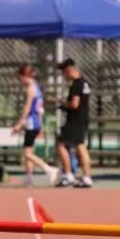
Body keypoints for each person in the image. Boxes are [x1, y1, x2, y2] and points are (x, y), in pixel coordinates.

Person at [11, 65, 59, 187]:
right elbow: (40, 109)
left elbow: (27, 108)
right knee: (30, 150)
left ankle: (49, 169)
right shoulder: (37, 88)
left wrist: (19, 123)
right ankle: (28, 178)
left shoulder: (30, 89)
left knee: (27, 153)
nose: (20, 81)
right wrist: (41, 125)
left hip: (32, 123)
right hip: (36, 122)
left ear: (25, 76)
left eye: (20, 78)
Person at [54, 58, 93, 188]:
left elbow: (74, 104)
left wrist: (62, 104)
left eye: (64, 72)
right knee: (80, 146)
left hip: (75, 120)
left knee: (60, 145)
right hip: (82, 118)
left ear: (69, 70)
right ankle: (86, 177)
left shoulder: (76, 84)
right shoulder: (85, 82)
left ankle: (68, 175)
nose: (63, 76)